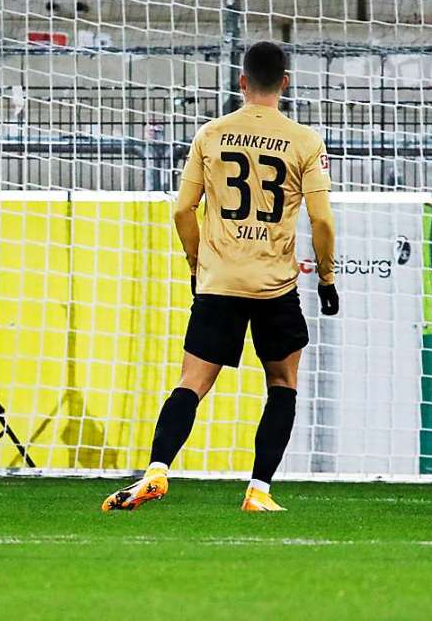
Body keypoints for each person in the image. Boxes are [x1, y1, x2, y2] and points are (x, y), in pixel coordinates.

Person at [102, 41, 338, 513]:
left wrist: (196, 263)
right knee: (283, 385)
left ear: (242, 82)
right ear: (285, 84)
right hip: (275, 284)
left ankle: (156, 470)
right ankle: (259, 490)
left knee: (191, 383)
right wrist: (327, 279)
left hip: (218, 283)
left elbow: (182, 208)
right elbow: (323, 221)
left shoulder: (211, 134)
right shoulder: (305, 140)